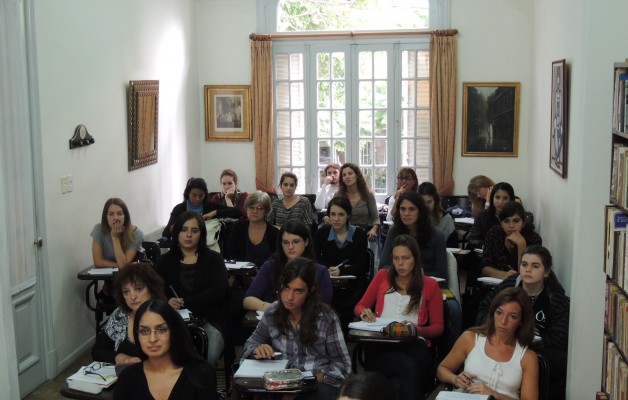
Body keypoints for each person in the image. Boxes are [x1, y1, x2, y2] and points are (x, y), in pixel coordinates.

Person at [241, 258, 351, 400]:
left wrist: (304, 381)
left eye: (298, 291)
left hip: (315, 382)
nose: (289, 297)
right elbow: (249, 345)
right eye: (286, 288)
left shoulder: (326, 318)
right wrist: (256, 350)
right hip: (280, 381)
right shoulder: (272, 312)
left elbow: (344, 366)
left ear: (310, 291)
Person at [355, 235, 444, 399]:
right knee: (407, 369)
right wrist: (364, 312)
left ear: (415, 259)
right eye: (396, 258)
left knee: (400, 379)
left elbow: (438, 327)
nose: (400, 264)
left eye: (405, 258)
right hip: (381, 343)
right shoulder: (383, 276)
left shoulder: (430, 285)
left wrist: (415, 331)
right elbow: (360, 306)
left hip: (414, 343)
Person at [477, 245, 569, 394]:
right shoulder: (509, 284)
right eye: (524, 264)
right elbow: (484, 309)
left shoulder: (555, 297)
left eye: (535, 266)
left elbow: (559, 338)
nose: (528, 270)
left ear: (546, 272)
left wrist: (524, 339)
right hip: (503, 339)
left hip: (536, 348)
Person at [437, 287, 539, 400]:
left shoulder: (527, 358)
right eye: (499, 313)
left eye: (512, 316)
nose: (503, 321)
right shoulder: (470, 338)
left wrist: (494, 395)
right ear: (492, 313)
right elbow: (442, 369)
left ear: (521, 321)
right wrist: (454, 379)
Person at [156, 211, 228, 368]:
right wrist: (167, 301)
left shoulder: (213, 259)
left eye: (194, 231)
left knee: (212, 343)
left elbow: (218, 290)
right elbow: (155, 290)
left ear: (201, 234)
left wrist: (186, 303)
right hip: (173, 319)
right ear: (177, 233)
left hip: (208, 318)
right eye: (184, 230)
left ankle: (203, 383)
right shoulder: (164, 261)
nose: (188, 235)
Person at [114, 299, 217, 400]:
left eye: (161, 330)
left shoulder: (200, 375)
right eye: (144, 331)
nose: (153, 339)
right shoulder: (127, 378)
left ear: (174, 331)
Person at [243, 220, 332, 311]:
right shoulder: (270, 266)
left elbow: (324, 307)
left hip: (307, 322)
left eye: (296, 242)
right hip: (274, 321)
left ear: (306, 242)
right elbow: (248, 299)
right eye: (285, 242)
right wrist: (272, 308)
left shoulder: (320, 271)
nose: (290, 247)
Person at [92, 262, 166, 365]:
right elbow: (97, 351)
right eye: (126, 292)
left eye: (138, 289)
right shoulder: (120, 315)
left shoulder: (165, 315)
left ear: (151, 288)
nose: (132, 297)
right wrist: (120, 357)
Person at [314, 195, 369, 330]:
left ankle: (342, 336)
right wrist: (326, 269)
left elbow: (363, 265)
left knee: (345, 306)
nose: (336, 219)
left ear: (348, 216)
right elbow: (314, 259)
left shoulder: (359, 234)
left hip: (352, 285)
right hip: (326, 282)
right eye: (333, 214)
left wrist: (342, 271)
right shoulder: (321, 233)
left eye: (341, 214)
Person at [379, 192, 447, 281]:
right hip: (398, 282)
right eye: (402, 209)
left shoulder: (437, 236)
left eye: (412, 209)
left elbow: (442, 273)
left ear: (420, 212)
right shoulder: (393, 232)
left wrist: (414, 274)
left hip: (427, 282)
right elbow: (383, 265)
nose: (406, 213)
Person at [162, 177, 241, 240]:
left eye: (201, 196)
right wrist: (177, 226)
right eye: (194, 195)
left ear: (205, 195)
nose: (197, 199)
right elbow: (166, 233)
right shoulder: (179, 209)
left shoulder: (210, 206)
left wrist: (215, 213)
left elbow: (237, 213)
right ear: (188, 193)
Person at [481, 202, 542, 280]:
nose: (511, 226)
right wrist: (505, 275)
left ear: (523, 223)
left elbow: (528, 273)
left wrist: (522, 245)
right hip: (497, 283)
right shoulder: (494, 234)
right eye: (506, 221)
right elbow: (485, 267)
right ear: (501, 223)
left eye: (516, 221)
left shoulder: (534, 239)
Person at [226, 190, 278, 267]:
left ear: (266, 211)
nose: (255, 211)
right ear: (246, 208)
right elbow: (231, 253)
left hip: (266, 274)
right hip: (241, 273)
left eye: (260, 208)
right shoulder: (238, 227)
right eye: (251, 207)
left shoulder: (273, 232)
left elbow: (276, 259)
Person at [91, 198, 144, 269]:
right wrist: (117, 265)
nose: (115, 218)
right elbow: (97, 262)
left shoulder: (137, 233)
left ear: (125, 216)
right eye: (111, 214)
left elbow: (123, 266)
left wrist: (115, 238)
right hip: (109, 275)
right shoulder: (98, 229)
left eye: (120, 214)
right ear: (105, 217)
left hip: (130, 276)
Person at [334, 163, 380, 242]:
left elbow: (375, 218)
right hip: (344, 232)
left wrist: (374, 229)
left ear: (357, 175)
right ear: (342, 179)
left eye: (350, 173)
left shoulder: (368, 195)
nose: (347, 177)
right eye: (344, 175)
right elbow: (332, 215)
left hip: (364, 232)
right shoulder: (338, 195)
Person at [467, 182, 516, 250]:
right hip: (485, 254)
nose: (500, 202)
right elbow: (473, 239)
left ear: (511, 200)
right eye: (497, 197)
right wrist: (485, 246)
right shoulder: (482, 216)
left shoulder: (515, 217)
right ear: (492, 198)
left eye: (505, 198)